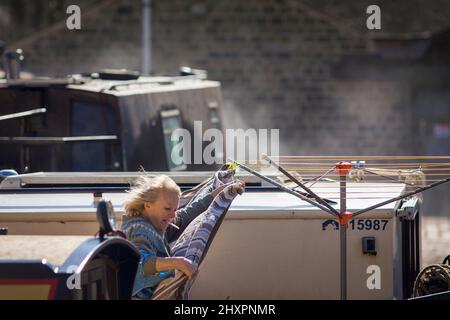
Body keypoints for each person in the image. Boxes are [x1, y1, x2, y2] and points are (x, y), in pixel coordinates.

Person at [121, 174, 244, 299]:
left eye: (175, 209)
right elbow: (141, 264)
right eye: (168, 208)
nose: (173, 215)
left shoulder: (157, 221)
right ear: (147, 205)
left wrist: (216, 195)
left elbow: (186, 215)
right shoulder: (138, 229)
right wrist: (179, 263)